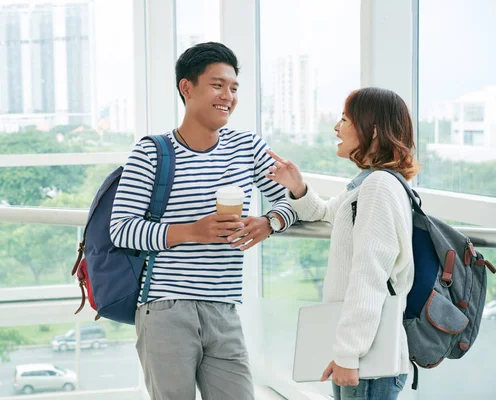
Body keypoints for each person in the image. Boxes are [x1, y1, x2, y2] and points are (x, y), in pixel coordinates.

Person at [109, 42, 298, 400]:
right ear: (187, 87)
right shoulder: (151, 151)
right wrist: (192, 231)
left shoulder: (248, 148)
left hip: (224, 309)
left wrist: (269, 222)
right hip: (165, 309)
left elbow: (291, 202)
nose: (227, 95)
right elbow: (122, 229)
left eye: (233, 87)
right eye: (217, 85)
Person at [266, 87, 418, 400]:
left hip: (366, 361)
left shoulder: (378, 188)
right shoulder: (369, 185)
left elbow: (369, 278)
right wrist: (296, 185)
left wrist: (348, 355)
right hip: (363, 355)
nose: (337, 127)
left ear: (372, 130)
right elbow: (322, 213)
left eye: (345, 119)